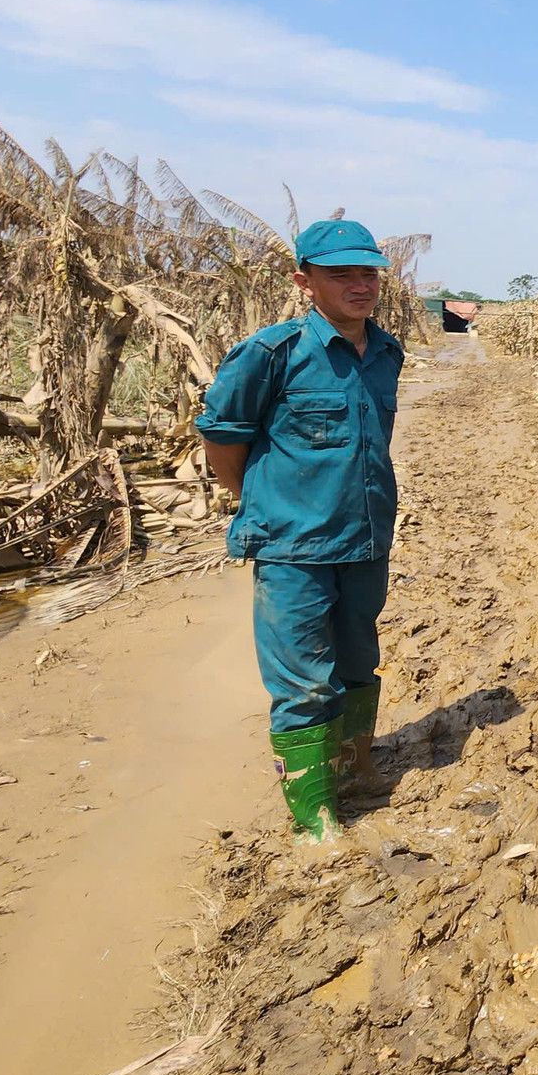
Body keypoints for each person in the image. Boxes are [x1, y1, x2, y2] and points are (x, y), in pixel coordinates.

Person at [197, 219, 406, 844]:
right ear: (304, 280)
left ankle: (354, 766)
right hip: (293, 548)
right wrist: (264, 503)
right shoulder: (272, 353)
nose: (359, 285)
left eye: (367, 272)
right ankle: (315, 821)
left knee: (359, 661)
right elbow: (222, 440)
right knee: (302, 682)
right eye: (340, 273)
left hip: (365, 539)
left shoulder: (387, 353)